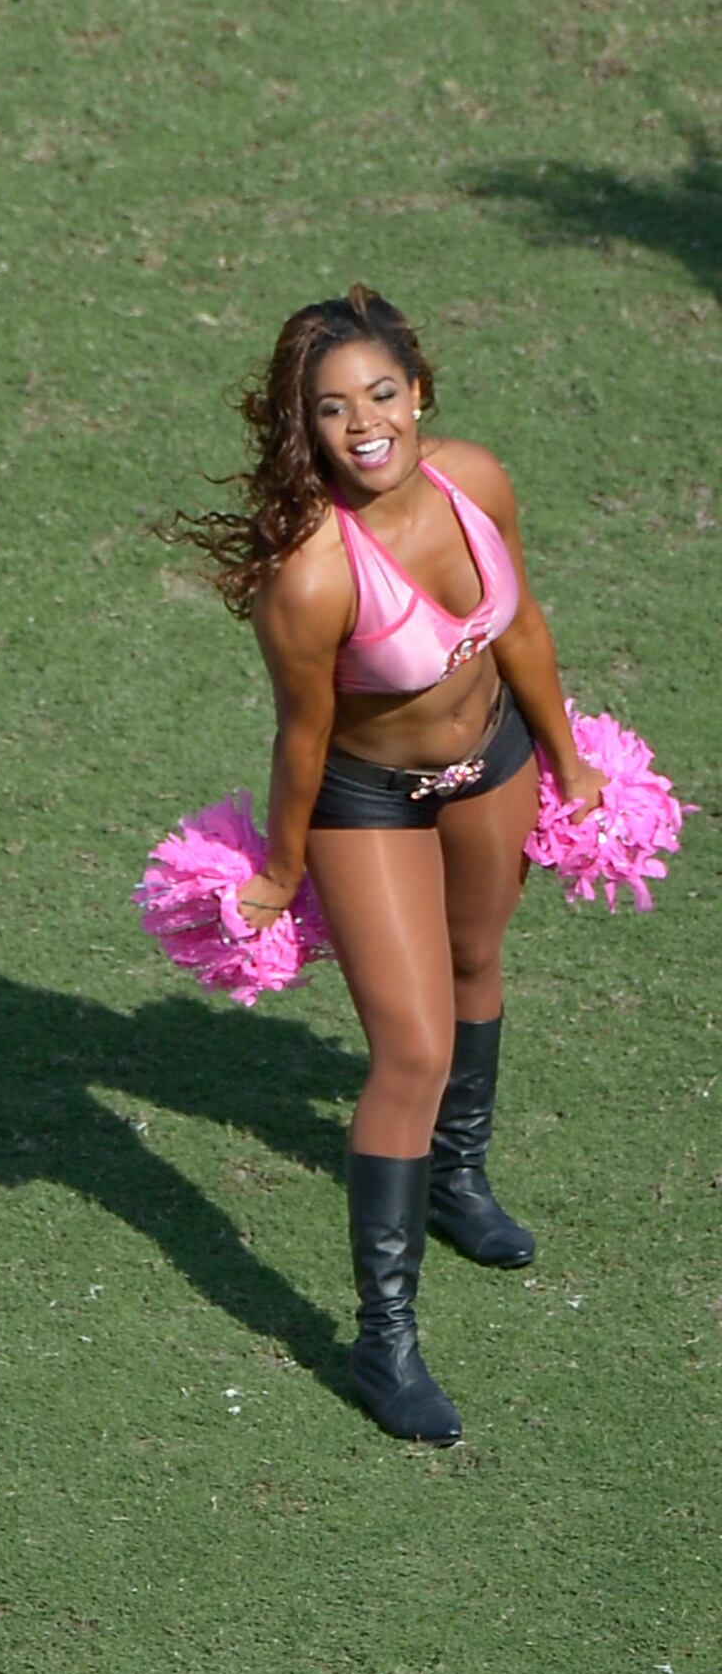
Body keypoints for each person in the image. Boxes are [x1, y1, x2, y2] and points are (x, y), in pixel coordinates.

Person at [177, 288, 603, 1445]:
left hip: (494, 758)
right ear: (303, 430)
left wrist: (567, 756)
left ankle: (460, 1183)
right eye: (330, 410)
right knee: (409, 1046)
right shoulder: (313, 575)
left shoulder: (478, 480)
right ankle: (385, 1341)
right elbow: (303, 737)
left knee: (478, 962)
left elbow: (519, 627)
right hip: (372, 799)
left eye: (378, 394)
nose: (362, 424)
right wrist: (277, 868)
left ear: (420, 391)